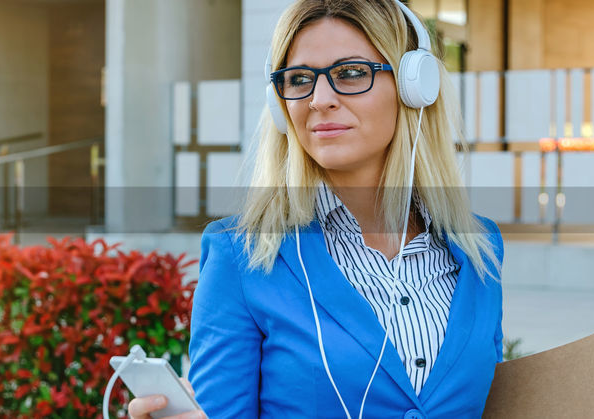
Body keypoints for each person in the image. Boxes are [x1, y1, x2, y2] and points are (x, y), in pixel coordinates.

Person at [128, 0, 505, 418]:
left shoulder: (479, 247)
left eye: (350, 73)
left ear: (414, 86)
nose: (319, 99)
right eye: (299, 79)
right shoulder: (242, 254)